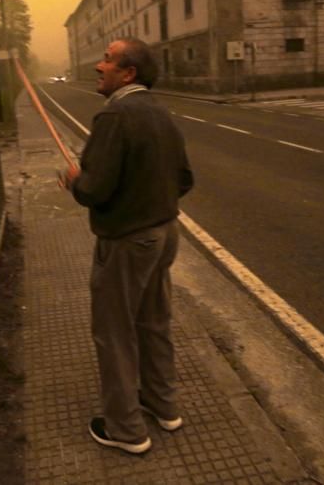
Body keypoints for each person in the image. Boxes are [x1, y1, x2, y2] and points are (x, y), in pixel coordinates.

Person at [61, 38, 194, 455]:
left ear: (128, 73)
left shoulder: (114, 115)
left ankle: (126, 429)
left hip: (126, 242)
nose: (99, 66)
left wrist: (73, 180)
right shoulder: (161, 111)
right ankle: (163, 404)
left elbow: (95, 189)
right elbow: (185, 179)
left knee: (114, 332)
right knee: (154, 321)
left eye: (107, 59)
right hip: (164, 232)